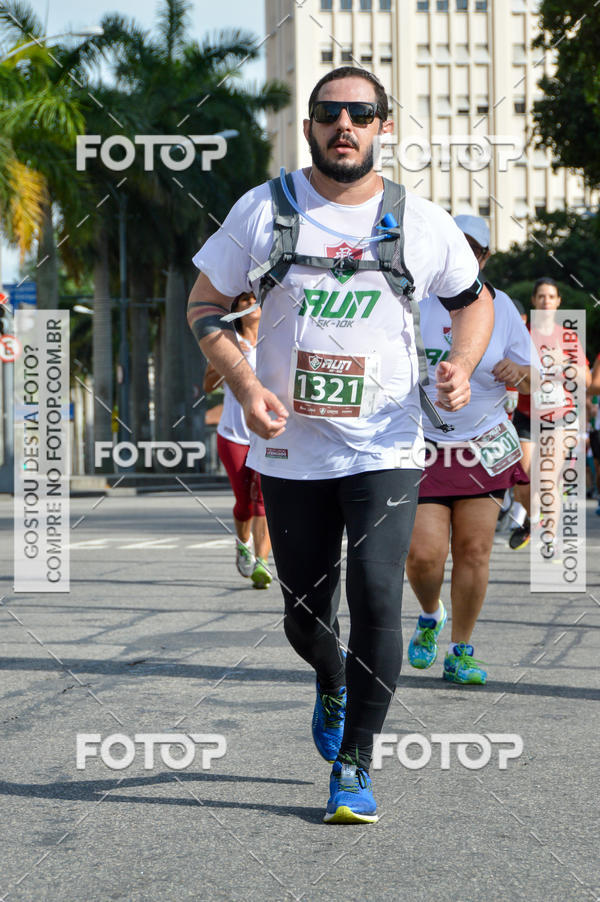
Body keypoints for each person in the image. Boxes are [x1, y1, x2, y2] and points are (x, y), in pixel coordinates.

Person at [187, 66, 494, 825]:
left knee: (379, 597)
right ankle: (329, 677)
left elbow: (473, 302)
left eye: (361, 113)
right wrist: (246, 387)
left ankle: (355, 765)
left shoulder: (420, 222)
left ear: (383, 126)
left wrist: (458, 362)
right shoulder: (263, 210)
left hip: (386, 443)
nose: (345, 125)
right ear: (311, 127)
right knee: (304, 613)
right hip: (293, 447)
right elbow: (203, 302)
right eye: (330, 112)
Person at [405, 215, 534, 685]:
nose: (465, 255)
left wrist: (519, 375)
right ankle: (429, 614)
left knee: (475, 549)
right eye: (456, 246)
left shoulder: (501, 306)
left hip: (483, 445)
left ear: (484, 257)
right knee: (423, 555)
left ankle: (460, 650)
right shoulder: (413, 301)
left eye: (474, 250)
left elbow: (538, 378)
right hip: (424, 443)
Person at [509, 279, 591, 550]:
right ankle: (533, 522)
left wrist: (563, 365)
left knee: (545, 480)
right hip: (526, 415)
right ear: (534, 300)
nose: (546, 301)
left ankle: (550, 536)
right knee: (522, 481)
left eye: (551, 296)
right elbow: (513, 373)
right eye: (541, 296)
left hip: (559, 417)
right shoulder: (522, 334)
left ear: (558, 302)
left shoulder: (567, 337)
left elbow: (586, 378)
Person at [203, 291, 272, 589]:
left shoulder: (276, 341)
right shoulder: (229, 344)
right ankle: (242, 543)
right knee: (244, 502)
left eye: (254, 298)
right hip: (234, 435)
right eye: (243, 301)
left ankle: (262, 563)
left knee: (263, 502)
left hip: (267, 435)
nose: (250, 304)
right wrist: (226, 364)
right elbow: (208, 386)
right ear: (236, 311)